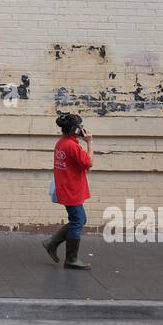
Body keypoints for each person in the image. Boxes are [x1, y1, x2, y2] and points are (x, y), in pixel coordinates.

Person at [43, 112, 93, 270]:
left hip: (66, 187)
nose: (82, 128)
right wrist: (90, 142)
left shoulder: (61, 143)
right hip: (71, 190)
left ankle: (52, 242)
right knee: (78, 221)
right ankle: (71, 259)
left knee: (79, 220)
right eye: (79, 126)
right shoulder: (72, 145)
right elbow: (89, 162)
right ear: (74, 129)